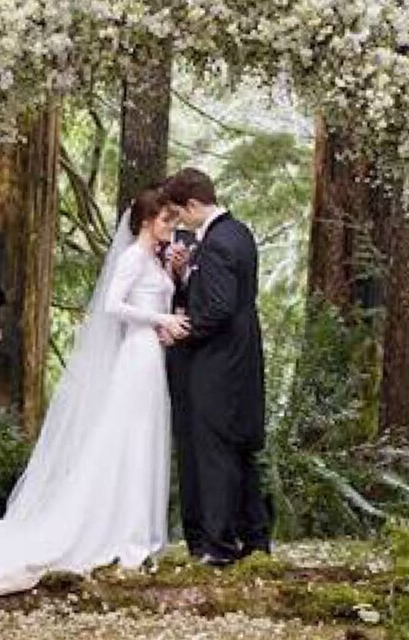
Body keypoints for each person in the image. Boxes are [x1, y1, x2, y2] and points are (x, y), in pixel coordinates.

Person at [0, 188, 189, 602]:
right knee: (129, 437)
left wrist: (172, 289)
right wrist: (158, 318)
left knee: (142, 438)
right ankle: (122, 533)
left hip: (151, 355)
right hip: (136, 358)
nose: (171, 227)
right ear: (146, 221)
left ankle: (136, 530)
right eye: (165, 220)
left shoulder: (154, 260)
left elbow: (151, 300)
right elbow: (112, 305)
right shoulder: (131, 258)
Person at [163, 167, 270, 565]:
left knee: (215, 450)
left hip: (219, 361)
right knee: (238, 449)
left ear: (193, 205)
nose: (180, 223)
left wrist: (183, 332)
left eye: (179, 213)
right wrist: (185, 274)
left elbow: (219, 307)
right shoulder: (239, 232)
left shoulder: (217, 243)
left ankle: (220, 546)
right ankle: (255, 539)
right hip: (241, 355)